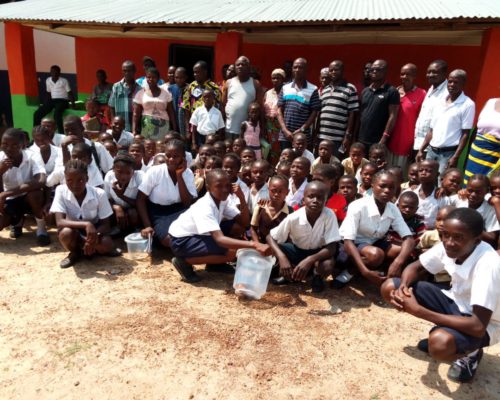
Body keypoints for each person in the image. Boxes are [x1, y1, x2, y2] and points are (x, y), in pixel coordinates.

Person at [380, 208, 500, 383]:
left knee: (439, 344)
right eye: (445, 235)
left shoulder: (488, 265)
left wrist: (419, 311)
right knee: (390, 287)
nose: (449, 242)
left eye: (458, 237)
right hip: (456, 301)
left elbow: (477, 326)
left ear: (477, 240)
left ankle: (471, 354)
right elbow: (416, 268)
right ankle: (451, 335)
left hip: (485, 324)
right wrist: (403, 288)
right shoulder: (449, 245)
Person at [168, 169, 270, 283]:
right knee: (231, 251)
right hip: (181, 241)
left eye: (227, 185)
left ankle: (215, 264)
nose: (225, 190)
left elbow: (244, 223)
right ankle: (184, 262)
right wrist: (254, 244)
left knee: (237, 228)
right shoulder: (205, 206)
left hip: (199, 234)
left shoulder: (222, 200)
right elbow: (220, 239)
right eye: (219, 186)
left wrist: (241, 198)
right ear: (208, 188)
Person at [337, 171, 415, 287]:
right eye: (382, 186)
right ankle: (350, 271)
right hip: (350, 246)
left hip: (373, 243)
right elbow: (348, 241)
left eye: (391, 188)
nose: (387, 190)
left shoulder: (392, 208)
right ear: (373, 186)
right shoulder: (358, 206)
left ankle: (389, 277)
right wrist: (365, 271)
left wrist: (398, 262)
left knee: (404, 251)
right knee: (376, 255)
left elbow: (409, 238)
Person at [267, 181, 340, 293]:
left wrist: (309, 260)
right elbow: (270, 237)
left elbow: (331, 248)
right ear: (303, 199)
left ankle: (317, 277)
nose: (315, 200)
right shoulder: (294, 217)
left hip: (318, 252)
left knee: (327, 265)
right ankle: (290, 275)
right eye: (311, 196)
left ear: (326, 200)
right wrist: (282, 257)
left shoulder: (329, 215)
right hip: (297, 250)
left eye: (320, 197)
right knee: (276, 249)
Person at [50, 159, 120, 268]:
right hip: (73, 230)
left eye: (80, 180)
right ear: (65, 179)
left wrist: (92, 238)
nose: (75, 185)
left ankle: (89, 248)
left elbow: (106, 225)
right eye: (69, 180)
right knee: (65, 234)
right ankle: (75, 253)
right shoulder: (60, 191)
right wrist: (87, 224)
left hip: (95, 230)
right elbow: (59, 222)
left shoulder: (99, 194)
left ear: (87, 179)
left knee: (107, 244)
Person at [137, 139, 196, 247]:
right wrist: (147, 226)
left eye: (176, 156)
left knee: (196, 231)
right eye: (168, 156)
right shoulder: (155, 172)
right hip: (159, 212)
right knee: (168, 239)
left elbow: (187, 203)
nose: (171, 159)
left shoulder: (187, 173)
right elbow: (140, 199)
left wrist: (179, 175)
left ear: (183, 158)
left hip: (180, 209)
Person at [417, 69, 475, 175]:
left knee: (442, 184)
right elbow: (431, 129)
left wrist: (455, 157)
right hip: (431, 151)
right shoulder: (440, 101)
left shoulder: (468, 104)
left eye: (456, 82)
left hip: (448, 154)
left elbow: (465, 134)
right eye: (450, 81)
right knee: (426, 180)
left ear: (463, 84)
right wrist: (421, 149)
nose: (452, 85)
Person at [0, 128, 48, 245]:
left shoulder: (33, 156)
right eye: (5, 144)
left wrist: (7, 193)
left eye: (14, 145)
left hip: (28, 198)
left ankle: (41, 229)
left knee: (35, 194)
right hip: (10, 201)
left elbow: (41, 180)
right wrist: (0, 171)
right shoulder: (0, 158)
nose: (9, 148)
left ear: (23, 145)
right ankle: (17, 221)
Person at [387, 64, 426, 170]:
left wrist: (417, 144)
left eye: (408, 74)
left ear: (414, 76)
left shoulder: (422, 94)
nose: (404, 76)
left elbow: (423, 121)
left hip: (407, 145)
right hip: (390, 143)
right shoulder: (394, 92)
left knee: (401, 175)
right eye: (402, 74)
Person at [317, 60, 359, 157]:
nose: (333, 72)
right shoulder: (325, 89)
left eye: (336, 70)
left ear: (342, 71)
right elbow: (321, 113)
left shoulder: (350, 88)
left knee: (335, 166)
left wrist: (347, 136)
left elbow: (352, 114)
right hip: (322, 136)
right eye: (331, 70)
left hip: (338, 138)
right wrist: (316, 134)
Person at [277, 58, 321, 150]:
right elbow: (279, 110)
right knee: (286, 162)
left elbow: (314, 112)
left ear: (306, 70)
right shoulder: (285, 88)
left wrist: (302, 130)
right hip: (285, 136)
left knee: (302, 163)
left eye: (300, 67)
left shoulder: (313, 89)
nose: (297, 70)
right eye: (295, 67)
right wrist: (285, 130)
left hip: (302, 137)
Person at [357, 60, 400, 148]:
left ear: (385, 72)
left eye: (378, 69)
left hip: (378, 141)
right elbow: (360, 115)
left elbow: (393, 116)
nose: (374, 71)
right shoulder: (365, 91)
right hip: (361, 139)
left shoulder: (392, 91)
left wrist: (384, 138)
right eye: (372, 69)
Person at [448, 174, 499, 247]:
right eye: (470, 190)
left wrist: (467, 227)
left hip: (476, 245)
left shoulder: (490, 209)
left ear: (487, 191)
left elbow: (492, 237)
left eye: (478, 192)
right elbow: (442, 202)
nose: (473, 194)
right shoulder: (460, 199)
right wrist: (442, 190)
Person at [222, 56, 264, 141]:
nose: (240, 66)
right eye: (238, 65)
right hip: (229, 129)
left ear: (249, 67)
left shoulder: (255, 84)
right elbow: (223, 105)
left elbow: (260, 107)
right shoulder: (229, 83)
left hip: (247, 129)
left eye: (243, 64)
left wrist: (262, 127)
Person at [413, 60, 449, 156]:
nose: (430, 75)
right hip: (419, 142)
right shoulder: (431, 88)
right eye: (429, 72)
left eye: (435, 72)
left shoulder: (448, 93)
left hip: (432, 146)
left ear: (444, 73)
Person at [133, 67, 177, 141]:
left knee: (161, 147)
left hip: (163, 125)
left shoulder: (166, 93)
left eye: (154, 77)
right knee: (148, 147)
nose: (151, 79)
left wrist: (175, 129)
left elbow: (171, 112)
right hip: (147, 126)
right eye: (148, 77)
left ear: (158, 79)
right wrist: (134, 130)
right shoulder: (141, 93)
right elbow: (136, 114)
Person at [182, 61, 221, 141]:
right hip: (195, 128)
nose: (195, 75)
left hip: (210, 128)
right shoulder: (190, 87)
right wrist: (187, 130)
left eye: (197, 72)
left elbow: (220, 109)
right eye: (194, 72)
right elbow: (186, 110)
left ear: (205, 72)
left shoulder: (215, 88)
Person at [464, 98, 500, 183]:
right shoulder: (490, 102)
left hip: (495, 158)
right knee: (469, 184)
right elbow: (476, 129)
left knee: (485, 188)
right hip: (475, 154)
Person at [104, 153, 142, 232]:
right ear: (113, 169)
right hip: (117, 209)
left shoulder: (140, 177)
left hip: (135, 209)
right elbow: (106, 200)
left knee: (133, 213)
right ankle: (118, 230)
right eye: (120, 172)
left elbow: (141, 203)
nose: (124, 176)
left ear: (133, 171)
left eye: (128, 173)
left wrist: (121, 195)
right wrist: (117, 208)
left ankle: (136, 230)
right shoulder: (109, 176)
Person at [33, 65, 75, 134]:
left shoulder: (64, 81)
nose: (54, 73)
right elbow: (48, 93)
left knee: (57, 115)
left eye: (56, 72)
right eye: (52, 72)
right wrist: (44, 104)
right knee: (37, 113)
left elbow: (70, 93)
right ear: (50, 72)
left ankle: (61, 134)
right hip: (53, 100)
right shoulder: (48, 80)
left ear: (59, 73)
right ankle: (36, 132)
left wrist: (73, 105)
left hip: (63, 100)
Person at [250, 174, 291, 243]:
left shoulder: (290, 212)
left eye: (280, 191)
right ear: (268, 189)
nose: (276, 194)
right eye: (273, 190)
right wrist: (258, 244)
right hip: (262, 246)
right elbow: (253, 229)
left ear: (287, 192)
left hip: (281, 248)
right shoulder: (260, 208)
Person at [108, 60, 141, 132]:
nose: (127, 73)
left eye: (129, 71)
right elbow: (111, 107)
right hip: (119, 127)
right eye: (124, 71)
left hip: (134, 128)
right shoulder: (116, 87)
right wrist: (113, 122)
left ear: (134, 71)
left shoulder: (139, 89)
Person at [263, 69, 286, 164]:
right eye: (273, 78)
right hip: (269, 126)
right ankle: (271, 168)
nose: (275, 80)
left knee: (280, 149)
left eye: (278, 78)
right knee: (270, 149)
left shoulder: (286, 92)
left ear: (283, 79)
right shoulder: (268, 93)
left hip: (281, 125)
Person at [169, 67, 189, 137]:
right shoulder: (171, 89)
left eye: (181, 78)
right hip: (174, 121)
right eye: (176, 77)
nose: (178, 80)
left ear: (186, 77)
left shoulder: (190, 89)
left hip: (186, 123)